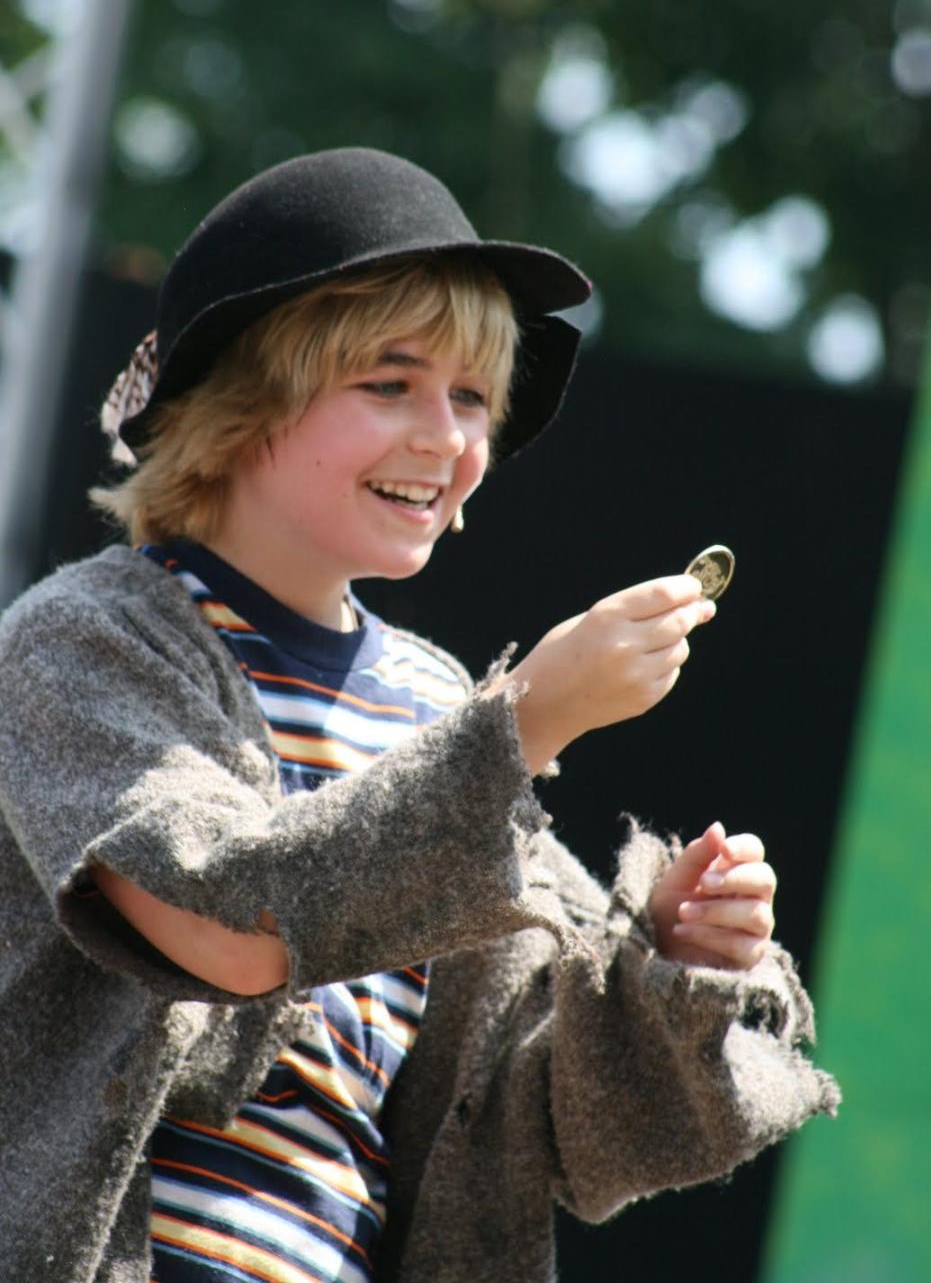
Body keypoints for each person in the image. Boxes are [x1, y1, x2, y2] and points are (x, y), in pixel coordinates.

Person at [0, 148, 838, 1283]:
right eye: (388, 383)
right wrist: (528, 722)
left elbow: (569, 1129)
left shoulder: (440, 704)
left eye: (472, 397)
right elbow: (229, 931)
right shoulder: (85, 639)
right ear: (242, 406)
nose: (444, 436)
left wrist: (673, 963)